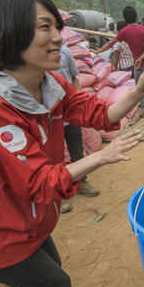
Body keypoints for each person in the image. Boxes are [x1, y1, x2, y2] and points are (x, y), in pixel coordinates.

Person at [0, 0, 144, 287]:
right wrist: (100, 156)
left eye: (57, 27)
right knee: (56, 286)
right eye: (45, 27)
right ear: (10, 32)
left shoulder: (51, 83)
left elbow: (95, 113)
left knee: (47, 276)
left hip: (27, 221)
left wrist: (137, 90)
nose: (58, 37)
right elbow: (36, 182)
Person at [52, 46, 99, 214]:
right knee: (54, 159)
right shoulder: (32, 57)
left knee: (77, 152)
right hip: (49, 118)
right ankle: (59, 194)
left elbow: (74, 80)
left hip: (69, 115)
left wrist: (77, 104)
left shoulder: (65, 52)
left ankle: (82, 183)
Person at [92, 6, 144, 116]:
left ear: (125, 18)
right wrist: (142, 57)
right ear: (136, 16)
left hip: (139, 66)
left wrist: (96, 52)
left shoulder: (123, 32)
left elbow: (109, 44)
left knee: (141, 89)